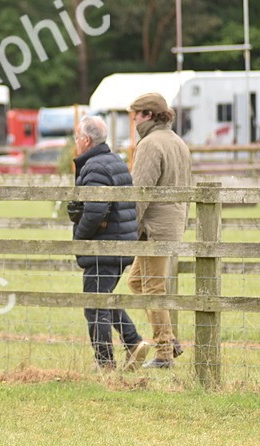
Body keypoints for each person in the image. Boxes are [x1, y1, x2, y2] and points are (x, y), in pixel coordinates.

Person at [69, 116, 150, 371]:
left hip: (103, 246)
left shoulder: (94, 167)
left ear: (86, 140)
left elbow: (94, 210)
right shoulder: (115, 161)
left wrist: (80, 237)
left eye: (76, 138)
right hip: (121, 243)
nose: (76, 143)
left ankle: (105, 362)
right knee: (104, 298)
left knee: (95, 305)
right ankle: (133, 342)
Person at [127, 92, 193, 369]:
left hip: (154, 227)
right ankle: (170, 339)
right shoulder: (178, 142)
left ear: (149, 115)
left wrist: (129, 226)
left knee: (153, 287)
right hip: (173, 221)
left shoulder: (151, 144)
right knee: (137, 283)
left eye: (137, 114)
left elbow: (140, 191)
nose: (133, 120)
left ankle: (164, 352)